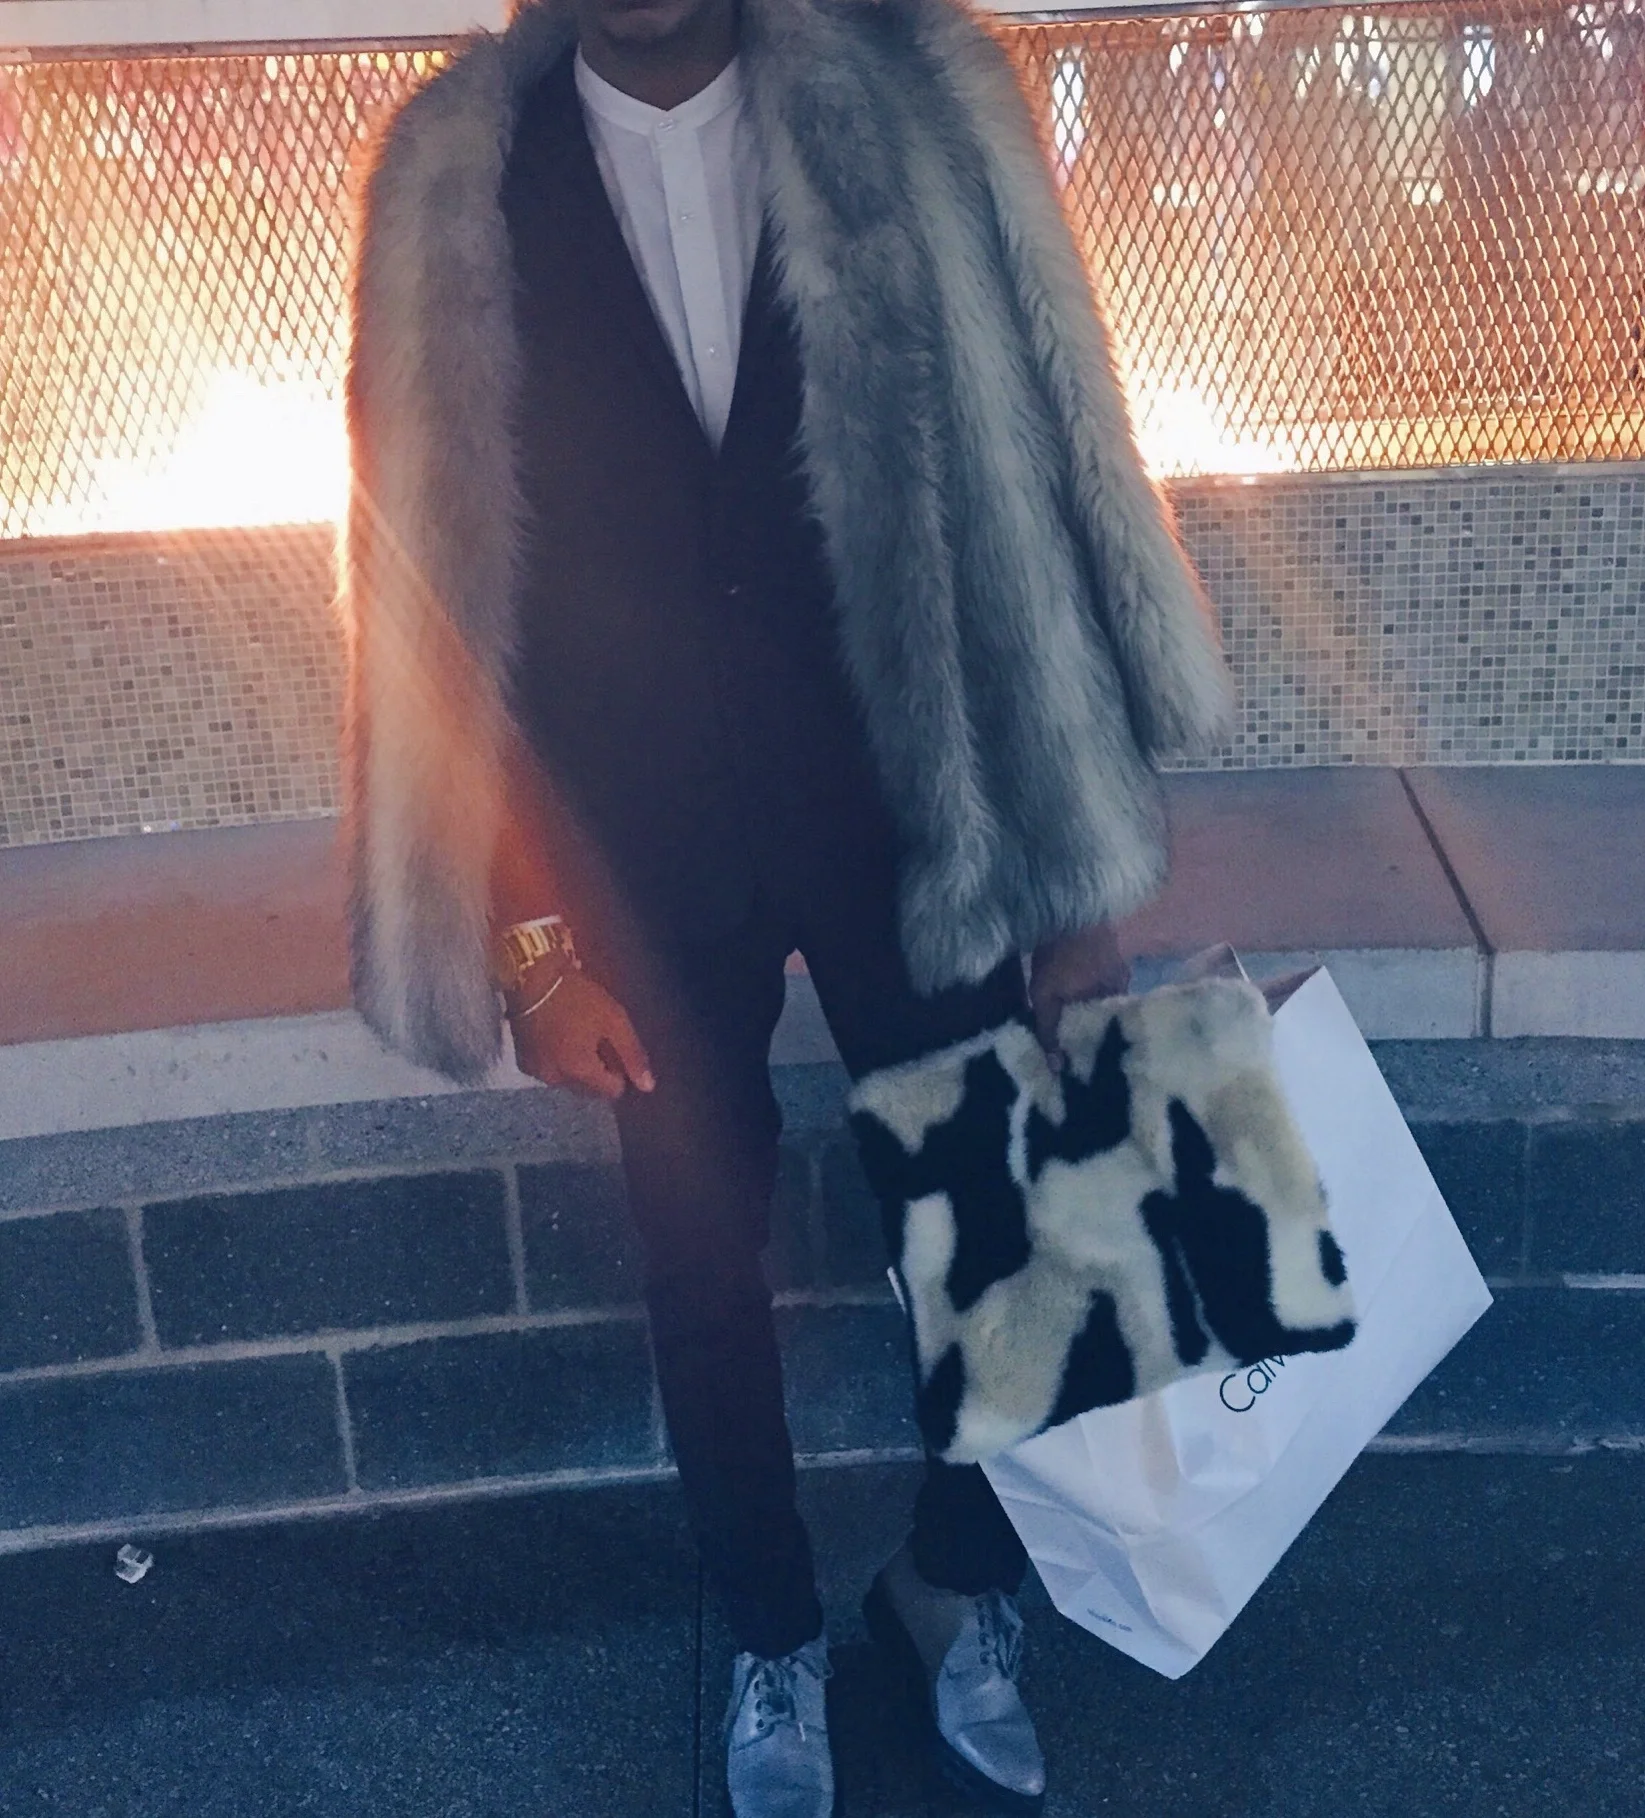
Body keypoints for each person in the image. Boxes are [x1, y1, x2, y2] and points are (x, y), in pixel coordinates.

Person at [341, 0, 1231, 1810]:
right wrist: (528, 945)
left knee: (1002, 1217)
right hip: (635, 850)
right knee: (697, 1260)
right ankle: (768, 1628)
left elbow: (1046, 475)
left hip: (913, 799)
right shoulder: (455, 181)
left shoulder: (914, 103)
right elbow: (426, 601)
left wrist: (1076, 878)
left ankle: (958, 1585)